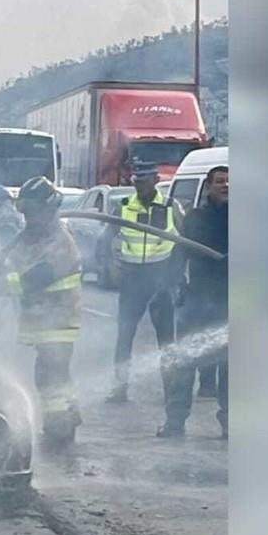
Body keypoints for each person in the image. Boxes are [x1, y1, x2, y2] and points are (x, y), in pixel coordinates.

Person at [3, 176, 83, 446]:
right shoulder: (33, 236)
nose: (28, 218)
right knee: (52, 373)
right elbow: (13, 260)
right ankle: (67, 417)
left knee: (52, 376)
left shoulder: (61, 242)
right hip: (44, 320)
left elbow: (34, 279)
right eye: (24, 212)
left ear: (47, 209)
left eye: (32, 212)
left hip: (58, 320)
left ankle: (60, 429)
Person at [106, 161, 180, 404]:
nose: (140, 186)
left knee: (166, 340)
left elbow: (184, 242)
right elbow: (109, 239)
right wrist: (113, 266)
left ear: (156, 181)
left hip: (161, 279)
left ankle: (170, 390)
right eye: (137, 182)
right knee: (124, 337)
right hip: (133, 280)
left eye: (145, 181)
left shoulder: (171, 206)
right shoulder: (124, 207)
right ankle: (119, 388)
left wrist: (176, 276)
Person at [163, 165, 229, 439]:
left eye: (229, 181)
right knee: (185, 361)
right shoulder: (197, 218)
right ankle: (175, 422)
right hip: (199, 299)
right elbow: (181, 253)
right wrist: (174, 284)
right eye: (220, 181)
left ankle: (229, 424)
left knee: (231, 369)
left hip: (230, 302)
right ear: (210, 186)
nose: (226, 185)